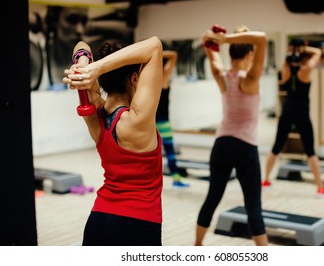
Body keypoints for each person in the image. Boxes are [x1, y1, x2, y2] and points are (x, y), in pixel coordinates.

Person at [63, 36, 164, 246]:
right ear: (135, 78)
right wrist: (95, 69)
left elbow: (81, 46)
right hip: (139, 225)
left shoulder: (95, 115)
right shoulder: (137, 120)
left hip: (98, 221)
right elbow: (155, 45)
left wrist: (84, 64)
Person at [195, 26, 268, 246]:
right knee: (253, 205)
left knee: (212, 199)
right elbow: (261, 37)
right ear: (249, 54)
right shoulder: (251, 78)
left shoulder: (222, 76)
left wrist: (211, 40)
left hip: (222, 144)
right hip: (246, 146)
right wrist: (226, 38)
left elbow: (210, 49)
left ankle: (196, 247)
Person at [262, 39, 324, 197]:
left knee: (276, 146)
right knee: (310, 151)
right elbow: (318, 53)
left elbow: (286, 60)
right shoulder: (305, 70)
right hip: (302, 113)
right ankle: (320, 187)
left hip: (287, 110)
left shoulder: (285, 69)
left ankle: (265, 180)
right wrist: (303, 49)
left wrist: (292, 50)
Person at [156, 50, 190, 188]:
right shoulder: (162, 78)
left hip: (151, 123)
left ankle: (163, 181)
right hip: (162, 123)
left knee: (154, 154)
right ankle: (176, 179)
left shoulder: (150, 82)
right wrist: (157, 52)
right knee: (169, 152)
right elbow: (174, 55)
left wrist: (153, 55)